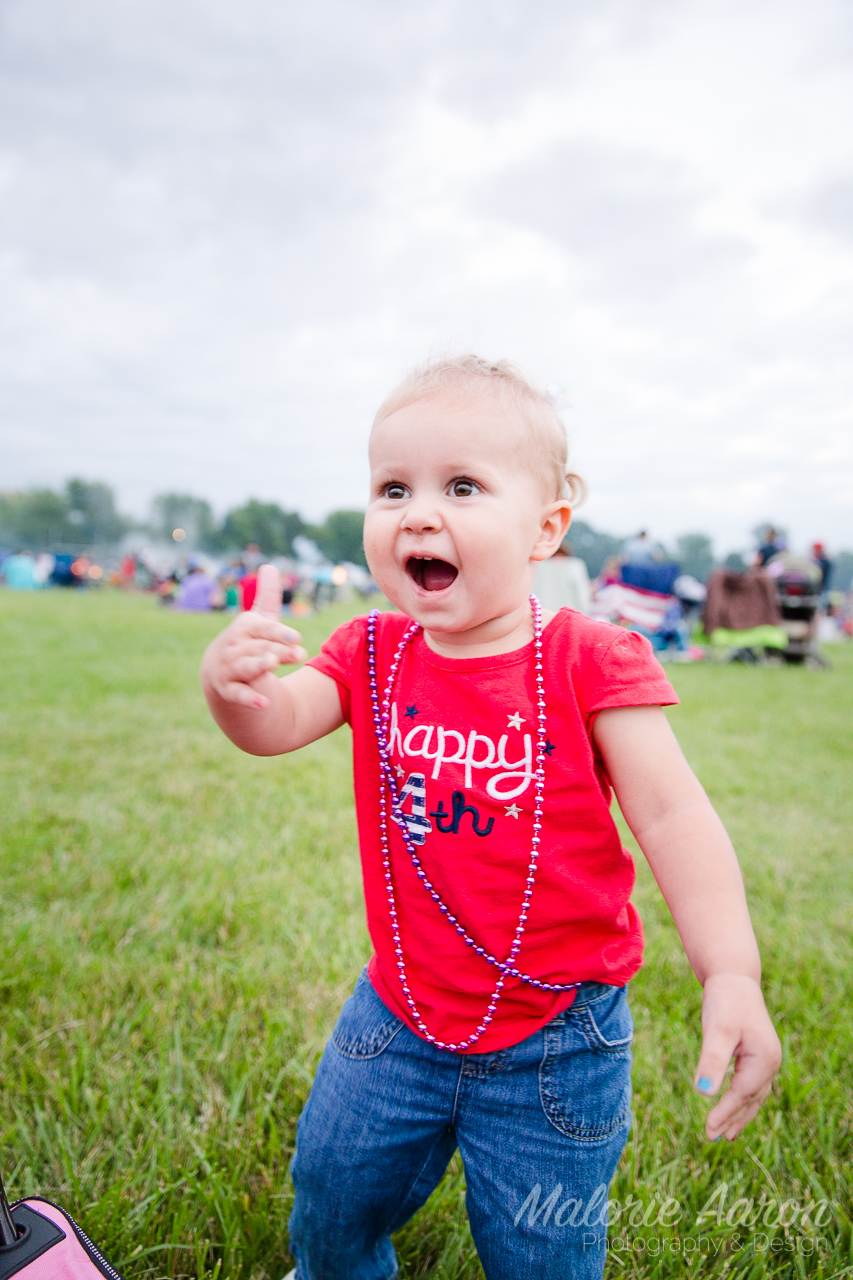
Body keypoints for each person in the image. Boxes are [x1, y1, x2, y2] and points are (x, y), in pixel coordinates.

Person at [201, 356, 781, 1280]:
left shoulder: (591, 659)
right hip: (393, 1016)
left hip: (558, 1038)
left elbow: (674, 819)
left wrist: (732, 972)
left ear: (545, 528)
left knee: (542, 1251)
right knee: (331, 1200)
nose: (418, 513)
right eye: (392, 487)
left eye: (461, 485)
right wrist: (233, 690)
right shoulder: (370, 650)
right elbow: (275, 725)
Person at [532, 538, 592, 615]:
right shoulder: (575, 565)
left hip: (544, 614)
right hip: (569, 615)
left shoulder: (539, 566)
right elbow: (581, 594)